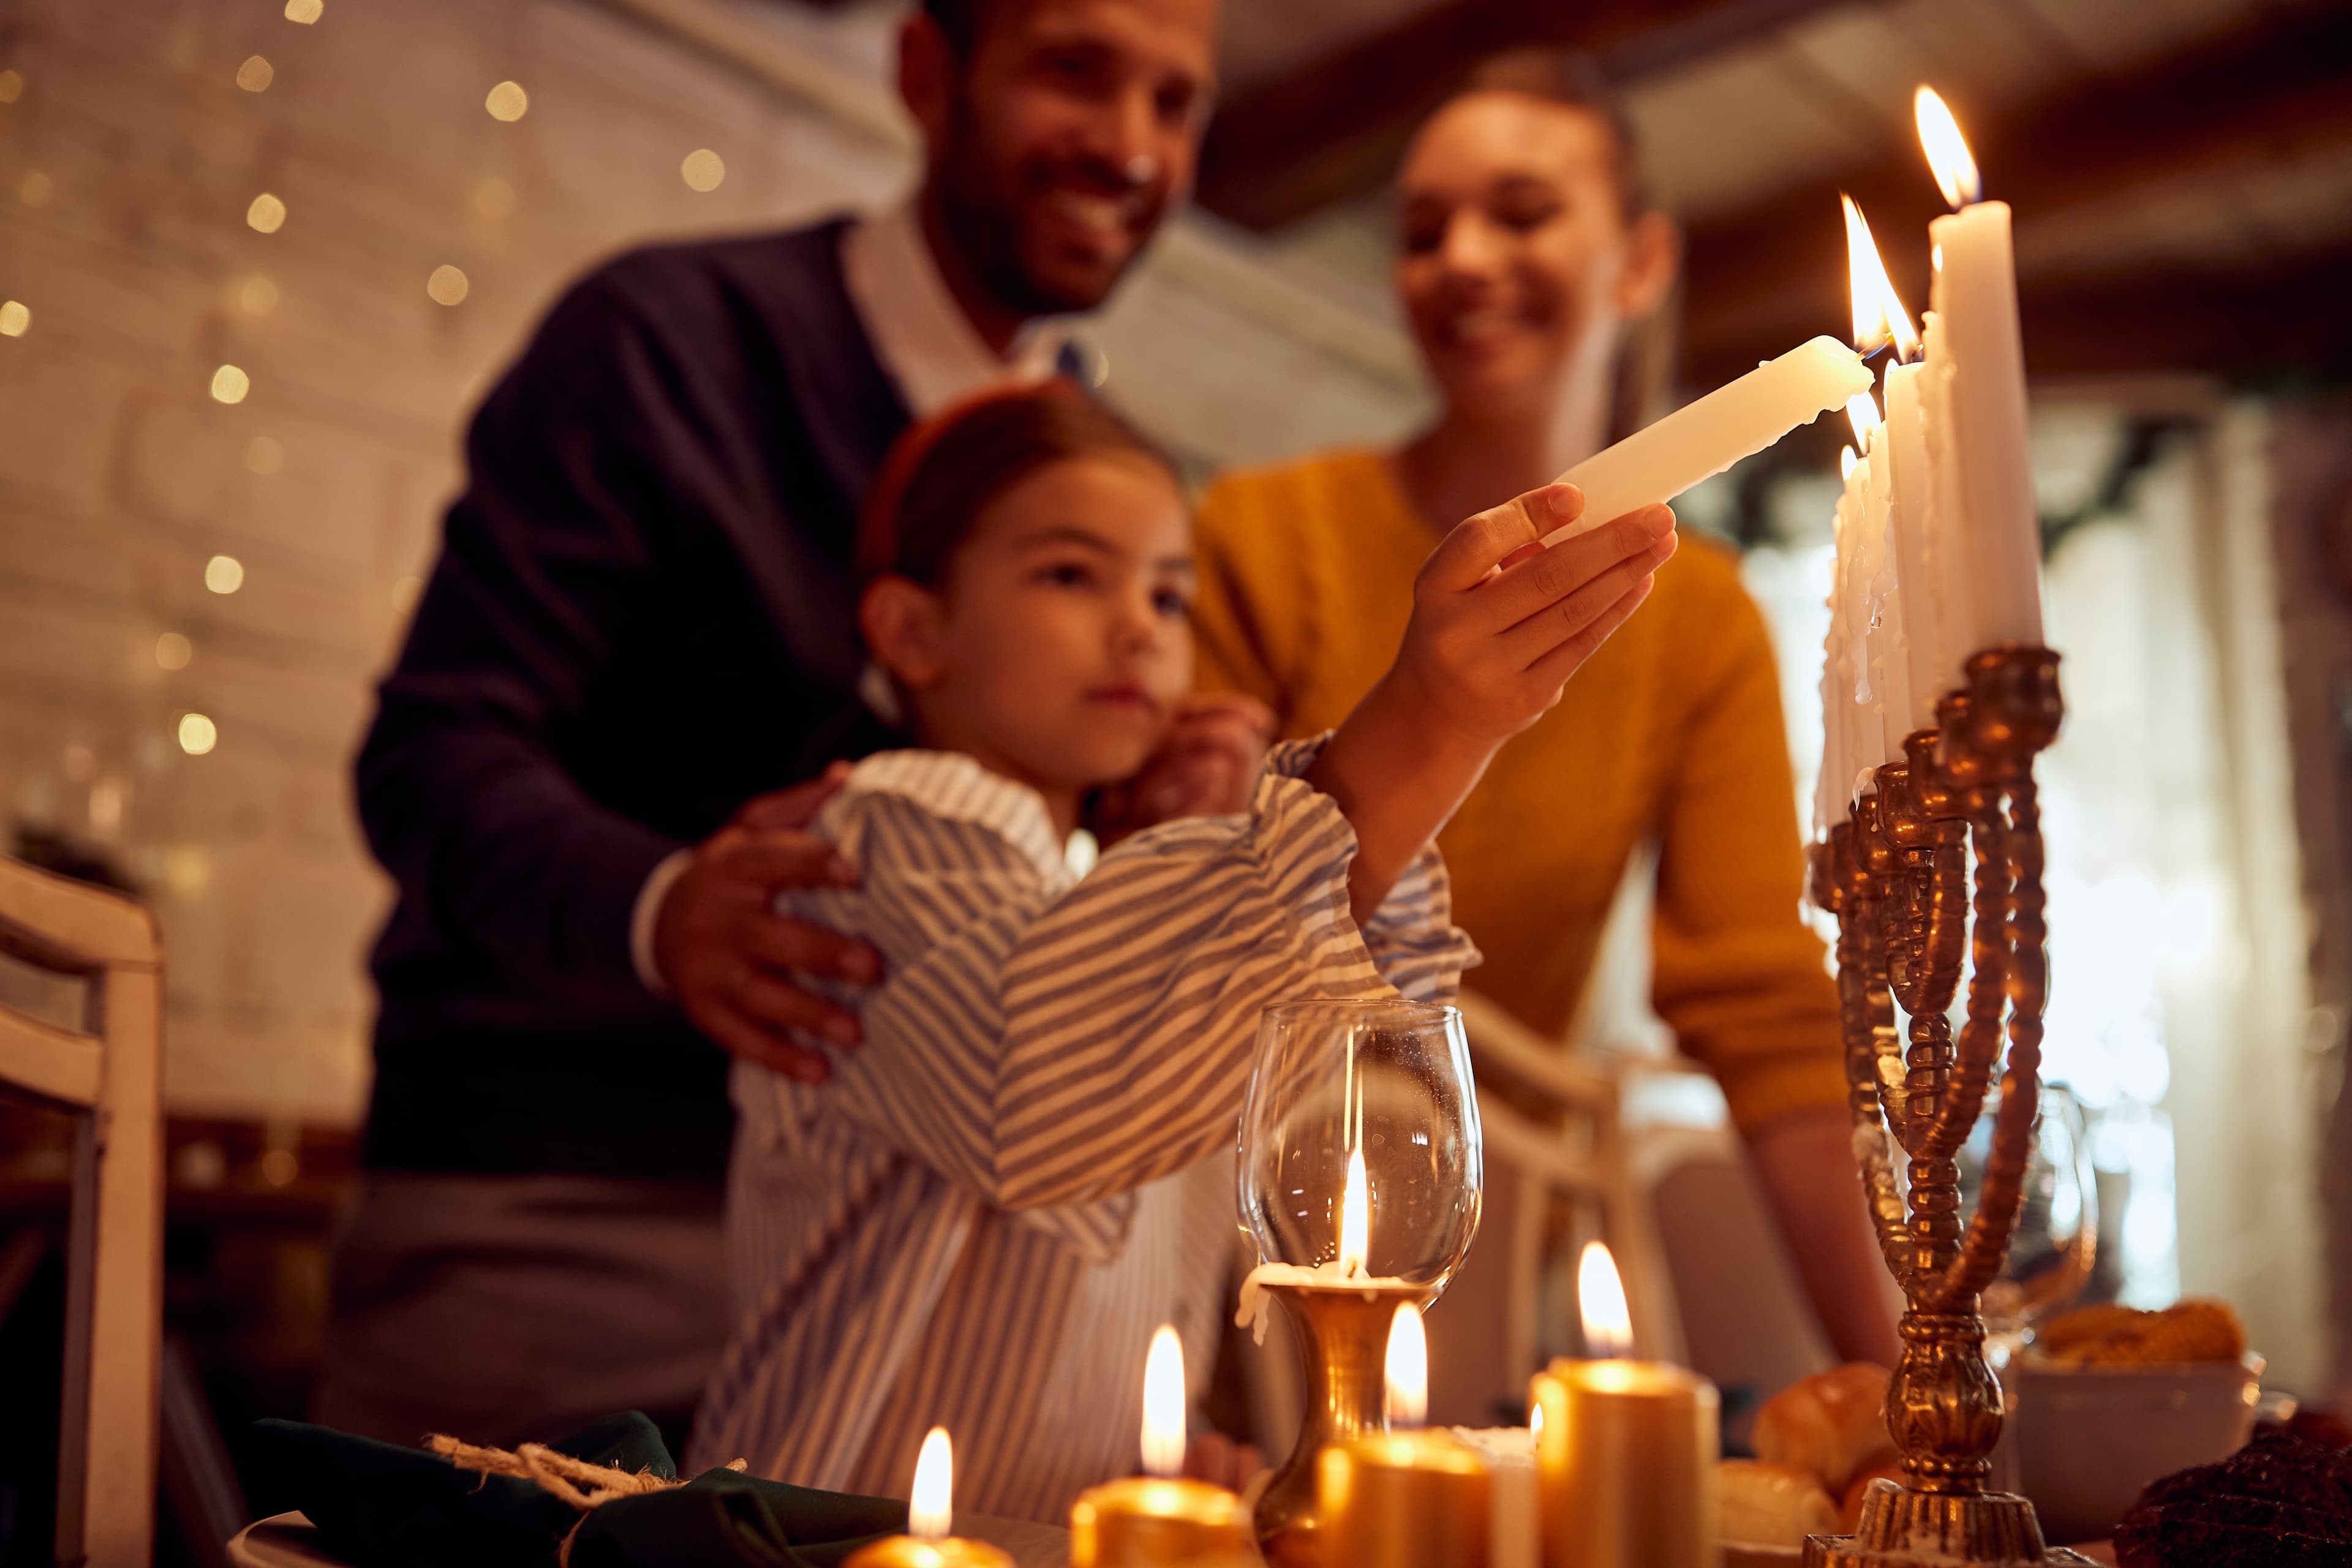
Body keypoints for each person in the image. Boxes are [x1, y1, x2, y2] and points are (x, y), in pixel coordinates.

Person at [325, 0, 1222, 1447]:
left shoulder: (1090, 464)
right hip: (586, 1214)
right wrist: (662, 907)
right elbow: (432, 757)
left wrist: (1141, 811)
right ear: (928, 71)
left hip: (923, 1275)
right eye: (1075, 72)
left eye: (1176, 103)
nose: (1130, 146)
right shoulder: (665, 343)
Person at [688, 380, 1676, 1517]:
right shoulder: (885, 833)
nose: (1138, 630)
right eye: (1070, 575)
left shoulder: (1109, 892)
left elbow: (1285, 1069)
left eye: (1168, 596)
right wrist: (1418, 730)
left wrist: (1168, 1439)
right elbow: (1044, 1097)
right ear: (911, 631)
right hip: (807, 1534)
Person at [1188, 48, 1903, 1417]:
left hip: (1474, 1219)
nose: (1461, 258)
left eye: (1520, 214)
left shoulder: (1701, 622)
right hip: (1223, 1199)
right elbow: (1194, 916)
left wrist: (1904, 1381)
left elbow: (1759, 1007)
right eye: (1420, 229)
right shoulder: (1264, 535)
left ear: (1638, 263)